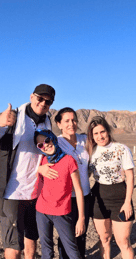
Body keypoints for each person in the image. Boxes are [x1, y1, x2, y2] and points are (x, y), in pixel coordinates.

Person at [0, 84, 55, 259]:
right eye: (40, 99)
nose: (43, 103)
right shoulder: (13, 118)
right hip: (13, 193)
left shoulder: (47, 122)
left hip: (36, 193)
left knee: (31, 238)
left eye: (48, 102)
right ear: (32, 97)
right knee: (13, 246)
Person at [38, 107, 93, 258]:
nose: (71, 124)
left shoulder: (85, 140)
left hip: (84, 196)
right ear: (59, 124)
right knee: (66, 239)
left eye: (74, 120)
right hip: (65, 199)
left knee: (81, 235)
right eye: (67, 121)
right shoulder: (56, 143)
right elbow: (37, 157)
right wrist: (40, 168)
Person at [87, 116, 135, 259]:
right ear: (92, 136)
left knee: (123, 241)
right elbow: (84, 175)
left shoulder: (121, 149)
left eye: (102, 132)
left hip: (120, 197)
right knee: (104, 239)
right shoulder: (90, 152)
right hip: (98, 198)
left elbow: (130, 177)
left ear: (107, 131)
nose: (100, 136)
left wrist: (127, 202)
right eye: (95, 133)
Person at [32, 129, 85, 259]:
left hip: (62, 212)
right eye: (40, 145)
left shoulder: (69, 160)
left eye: (47, 140)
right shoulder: (42, 160)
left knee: (72, 250)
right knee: (46, 249)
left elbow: (78, 190)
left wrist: (81, 217)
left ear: (53, 138)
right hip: (42, 211)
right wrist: (38, 168)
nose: (46, 145)